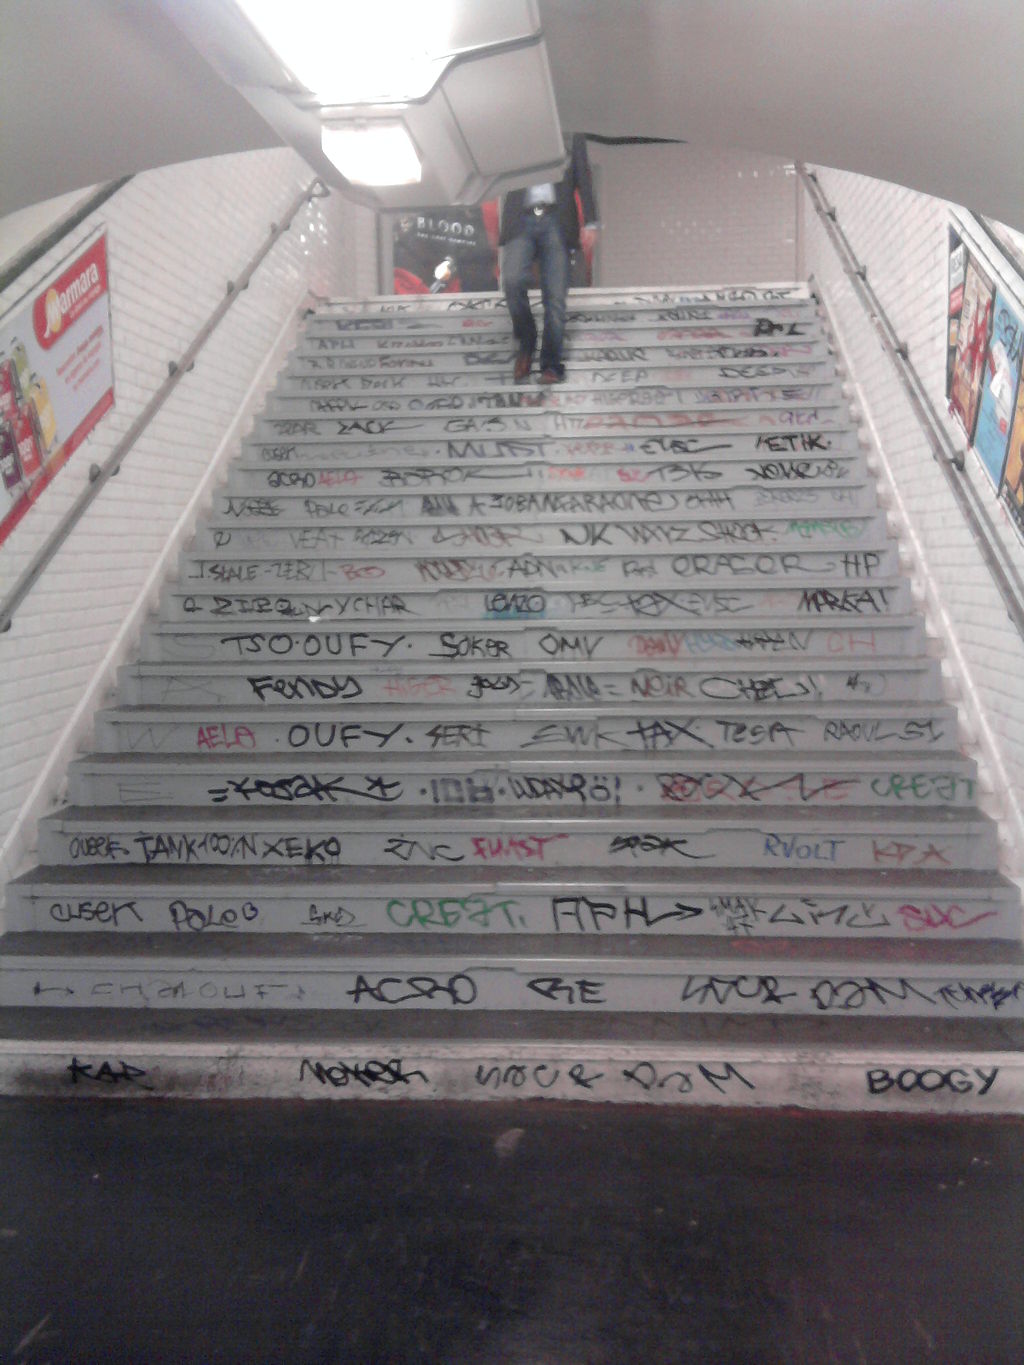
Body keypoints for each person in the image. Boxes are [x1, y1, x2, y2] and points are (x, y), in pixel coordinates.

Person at [499, 134, 599, 384]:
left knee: (555, 298)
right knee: (511, 279)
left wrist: (591, 221)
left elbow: (582, 177)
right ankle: (527, 339)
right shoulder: (515, 130)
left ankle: (551, 365)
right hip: (521, 218)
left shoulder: (571, 133)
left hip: (557, 218)